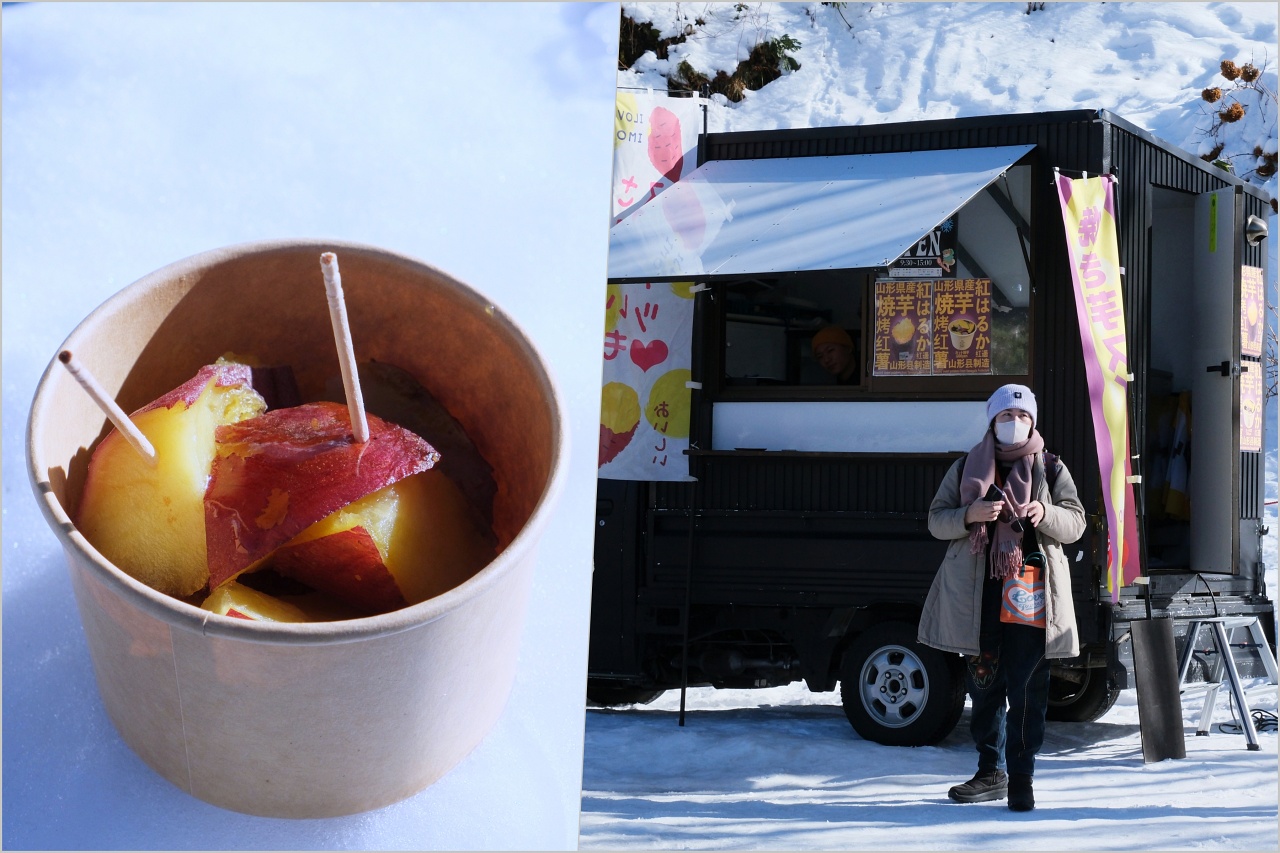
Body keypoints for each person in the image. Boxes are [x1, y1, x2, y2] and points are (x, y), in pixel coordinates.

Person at [918, 384, 1086, 812]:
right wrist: (969, 515)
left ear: (1033, 422)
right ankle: (990, 771)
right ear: (992, 421)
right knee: (984, 682)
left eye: (1023, 416)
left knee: (1028, 685)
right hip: (979, 594)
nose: (1015, 423)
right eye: (1006, 416)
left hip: (1031, 594)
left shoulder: (1050, 467)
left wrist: (1045, 513)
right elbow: (936, 521)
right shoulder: (965, 466)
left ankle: (1022, 776)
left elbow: (1076, 523)